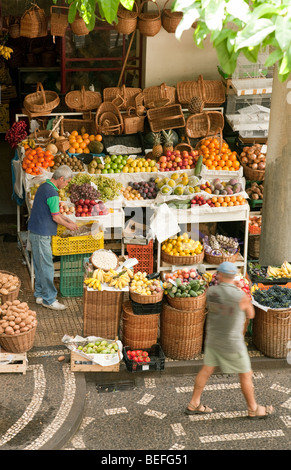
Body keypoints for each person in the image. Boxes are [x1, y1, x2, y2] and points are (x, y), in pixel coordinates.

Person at [185, 261, 274, 419]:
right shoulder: (240, 296)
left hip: (213, 339)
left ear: (219, 275)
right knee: (246, 374)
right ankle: (253, 408)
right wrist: (239, 289)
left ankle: (194, 403)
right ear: (234, 276)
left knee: (205, 371)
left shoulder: (211, 291)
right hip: (233, 343)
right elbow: (251, 314)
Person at [28, 165, 78, 311]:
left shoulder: (44, 187)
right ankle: (49, 299)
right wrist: (68, 226)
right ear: (61, 178)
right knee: (47, 266)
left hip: (35, 231)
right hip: (42, 234)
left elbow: (55, 212)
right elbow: (55, 217)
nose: (66, 185)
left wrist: (68, 220)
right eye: (67, 182)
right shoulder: (52, 193)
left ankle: (40, 294)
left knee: (39, 264)